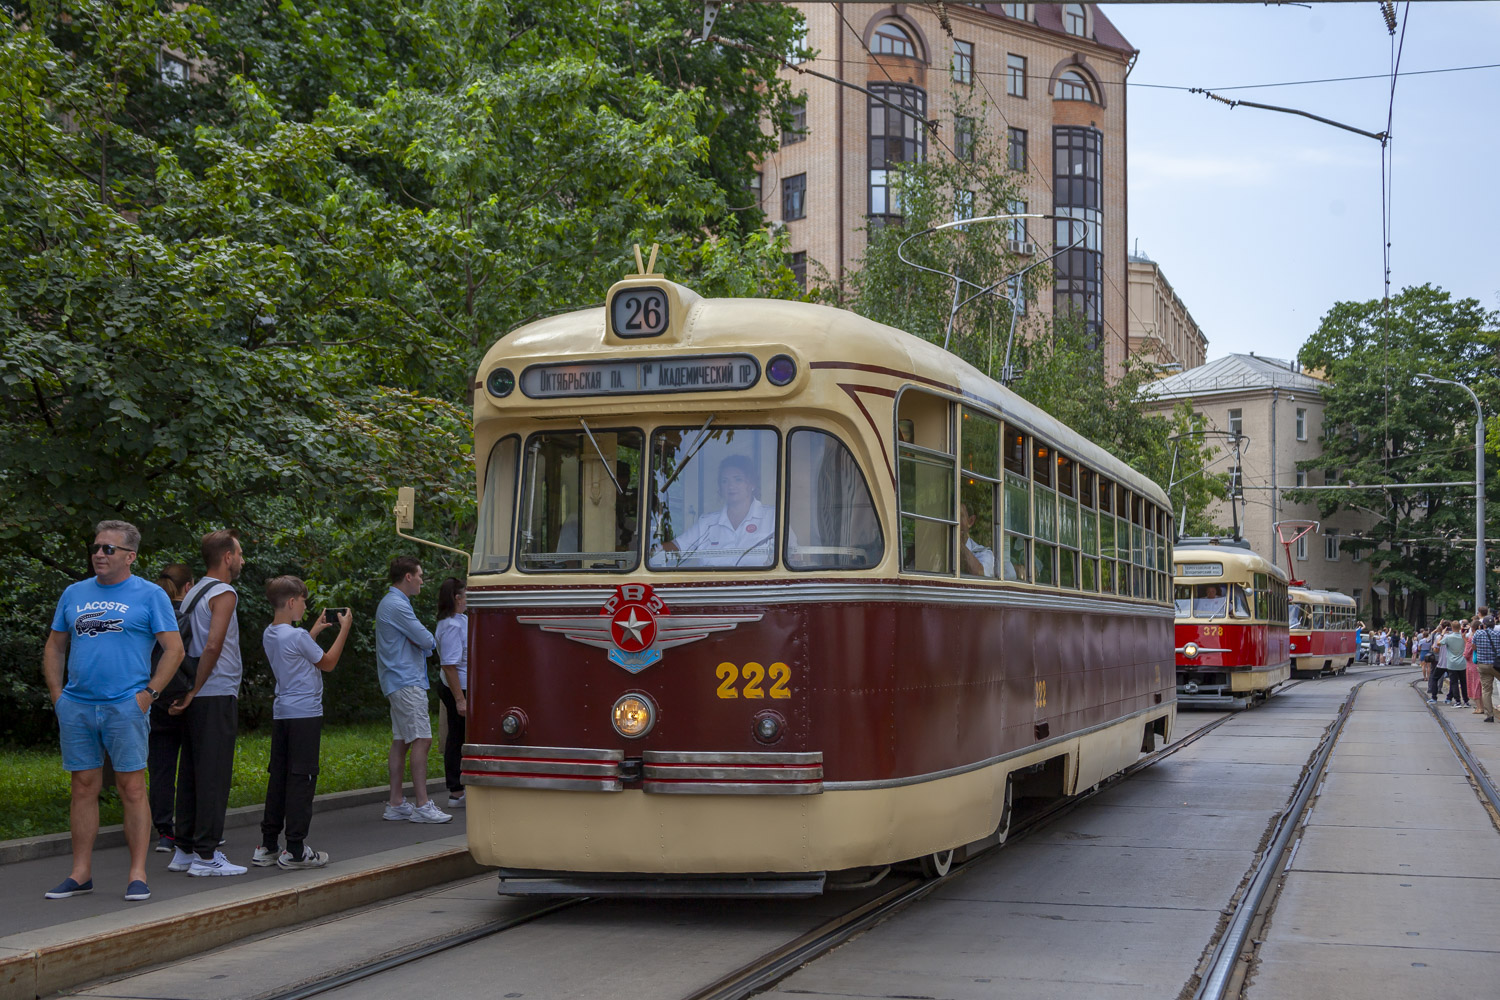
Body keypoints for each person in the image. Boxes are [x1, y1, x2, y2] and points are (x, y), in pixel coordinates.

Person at [43, 520, 183, 902]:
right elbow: (55, 645)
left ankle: (137, 874)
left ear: (130, 557)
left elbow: (174, 649)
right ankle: (80, 873)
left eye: (108, 549)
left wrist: (149, 694)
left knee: (133, 787)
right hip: (78, 705)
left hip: (125, 705)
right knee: (83, 787)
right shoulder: (74, 593)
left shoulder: (150, 594)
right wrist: (59, 695)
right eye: (96, 547)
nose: (99, 554)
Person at [252, 577, 351, 869]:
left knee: (279, 777)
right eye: (304, 601)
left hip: (283, 712)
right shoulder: (296, 637)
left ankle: (268, 845)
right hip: (305, 714)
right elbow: (329, 663)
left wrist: (314, 632)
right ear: (292, 601)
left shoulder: (272, 633)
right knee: (302, 779)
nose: (306, 606)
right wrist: (343, 629)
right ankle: (295, 849)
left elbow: (295, 655)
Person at [168, 529, 249, 877]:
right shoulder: (224, 592)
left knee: (190, 773)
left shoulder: (192, 594)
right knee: (214, 774)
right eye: (240, 554)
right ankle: (206, 855)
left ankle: (184, 849)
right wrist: (195, 689)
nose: (243, 560)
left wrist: (187, 691)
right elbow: (213, 646)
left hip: (195, 693)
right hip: (213, 692)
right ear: (227, 557)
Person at [377, 556, 450, 824]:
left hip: (396, 680)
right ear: (407, 576)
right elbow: (427, 639)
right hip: (407, 680)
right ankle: (422, 804)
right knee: (422, 739)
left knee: (402, 740)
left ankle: (396, 802)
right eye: (419, 575)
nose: (421, 579)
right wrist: (424, 642)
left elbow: (422, 641)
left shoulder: (392, 603)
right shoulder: (397, 605)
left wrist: (422, 642)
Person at [653, 455, 776, 568]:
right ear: (720, 488)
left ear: (752, 484)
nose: (731, 486)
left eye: (738, 479)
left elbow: (793, 556)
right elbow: (677, 547)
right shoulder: (707, 523)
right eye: (724, 481)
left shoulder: (774, 518)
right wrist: (646, 553)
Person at [148, 564, 193, 854]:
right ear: (188, 586)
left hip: (154, 697)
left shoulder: (149, 613)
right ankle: (193, 829)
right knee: (192, 768)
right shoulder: (190, 618)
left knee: (161, 769)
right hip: (185, 698)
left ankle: (165, 831)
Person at [435, 578, 469, 808]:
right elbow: (449, 665)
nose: (468, 599)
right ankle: (455, 790)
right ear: (457, 598)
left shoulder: (461, 619)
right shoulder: (450, 626)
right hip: (457, 685)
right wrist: (460, 699)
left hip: (467, 683)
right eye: (465, 595)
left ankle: (464, 785)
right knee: (456, 736)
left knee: (464, 734)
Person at [1471, 616, 1499, 723]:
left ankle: (1489, 715)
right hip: (1497, 665)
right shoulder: (1498, 634)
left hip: (1482, 665)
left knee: (1486, 690)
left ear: (1484, 625)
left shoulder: (1478, 633)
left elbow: (1473, 647)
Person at [958, 503, 995, 578]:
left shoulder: (984, 553)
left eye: (960, 516)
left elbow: (978, 573)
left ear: (971, 521)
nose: (955, 522)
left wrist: (957, 542)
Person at [1438, 622, 1469, 707]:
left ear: (1451, 627)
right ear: (1460, 627)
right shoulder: (1463, 637)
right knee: (1463, 682)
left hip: (1452, 663)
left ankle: (1457, 701)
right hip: (1462, 663)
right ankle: (1466, 701)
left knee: (1454, 683)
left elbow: (1438, 643)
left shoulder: (1448, 637)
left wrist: (1442, 634)